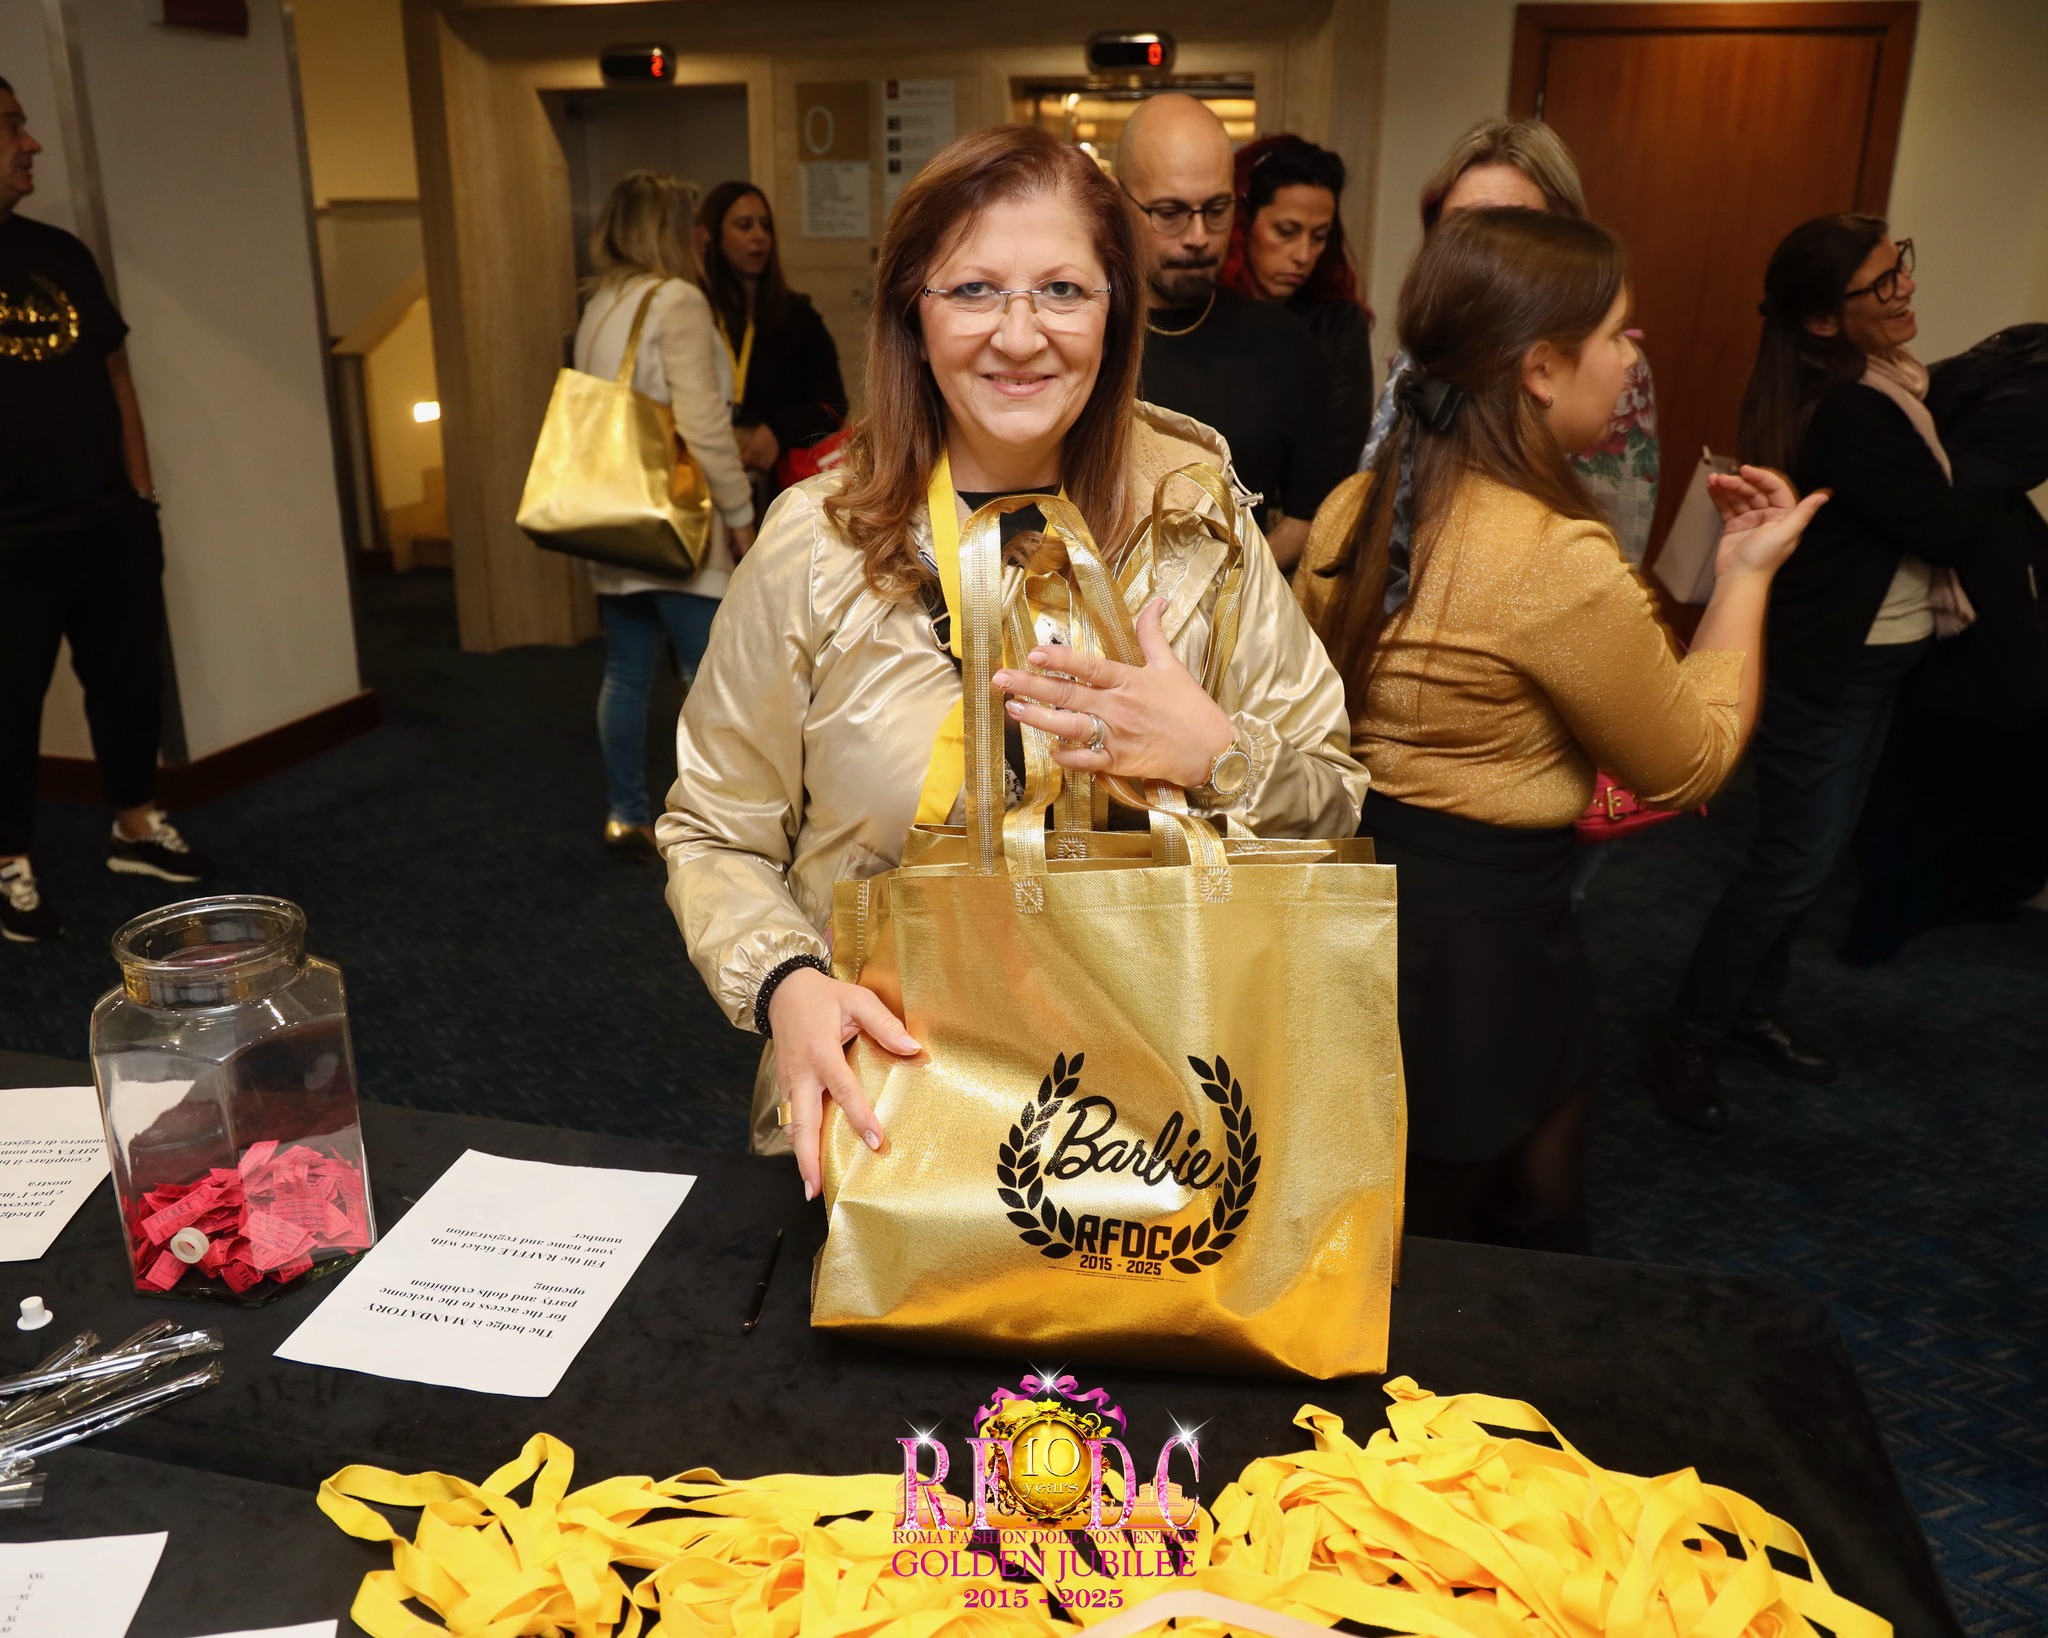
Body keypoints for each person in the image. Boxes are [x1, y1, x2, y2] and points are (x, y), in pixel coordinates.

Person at [658, 124, 1367, 1197]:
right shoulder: (816, 543)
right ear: (913, 310)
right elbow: (715, 829)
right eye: (975, 290)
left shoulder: (1199, 528)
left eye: (1063, 291)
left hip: (1154, 1117)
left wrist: (1213, 753)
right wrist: (785, 982)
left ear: (1115, 308)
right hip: (887, 1110)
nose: (1020, 335)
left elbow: (1331, 800)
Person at [1298, 208, 1823, 1245]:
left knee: (1490, 1202)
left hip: (1366, 902)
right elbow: (1689, 764)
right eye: (1618, 334)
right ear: (1541, 368)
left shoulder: (1354, 503)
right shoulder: (1553, 560)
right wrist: (1746, 579)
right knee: (1440, 1249)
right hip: (1477, 943)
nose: (1632, 358)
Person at [1647, 219, 1985, 1128]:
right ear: (1825, 321)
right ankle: (1689, 1035)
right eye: (1880, 284)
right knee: (1792, 864)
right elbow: (1948, 526)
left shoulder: (1884, 384)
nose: (1903, 288)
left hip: (1871, 662)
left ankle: (1749, 1011)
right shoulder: (1855, 409)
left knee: (1811, 856)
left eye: (1899, 266)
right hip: (1830, 670)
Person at [0, 76, 211, 944]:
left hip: (107, 521)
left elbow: (115, 374)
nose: (32, 144)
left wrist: (141, 496)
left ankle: (135, 825)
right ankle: (8, 858)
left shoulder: (61, 253)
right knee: (7, 706)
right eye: (12, 126)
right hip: (9, 541)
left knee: (127, 685)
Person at [1361, 119, 1660, 565]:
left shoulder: (1609, 371)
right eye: (1463, 229)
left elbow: (1613, 563)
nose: (1487, 250)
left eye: (1514, 226)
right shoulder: (1419, 358)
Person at [573, 171, 756, 861]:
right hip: (679, 519)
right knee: (710, 680)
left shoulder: (602, 303)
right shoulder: (675, 299)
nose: (701, 239)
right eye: (692, 227)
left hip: (614, 517)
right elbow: (703, 424)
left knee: (626, 672)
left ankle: (625, 814)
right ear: (671, 231)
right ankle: (715, 824)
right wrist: (740, 514)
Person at [1118, 94, 1339, 570]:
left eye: (1217, 209)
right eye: (1170, 213)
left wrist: (1220, 589)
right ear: (1120, 202)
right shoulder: (1085, 340)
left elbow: (1310, 518)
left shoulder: (1286, 346)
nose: (1198, 236)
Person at [1218, 134, 1376, 481]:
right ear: (1243, 223)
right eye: (1286, 231)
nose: (1303, 255)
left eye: (1319, 237)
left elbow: (1341, 464)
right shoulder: (1210, 314)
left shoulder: (1338, 324)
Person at [694, 181, 847, 505]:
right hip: (704, 484)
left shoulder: (799, 318)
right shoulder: (695, 313)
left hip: (777, 491)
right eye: (744, 225)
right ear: (715, 237)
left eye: (765, 226)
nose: (759, 236)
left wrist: (778, 431)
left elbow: (834, 408)